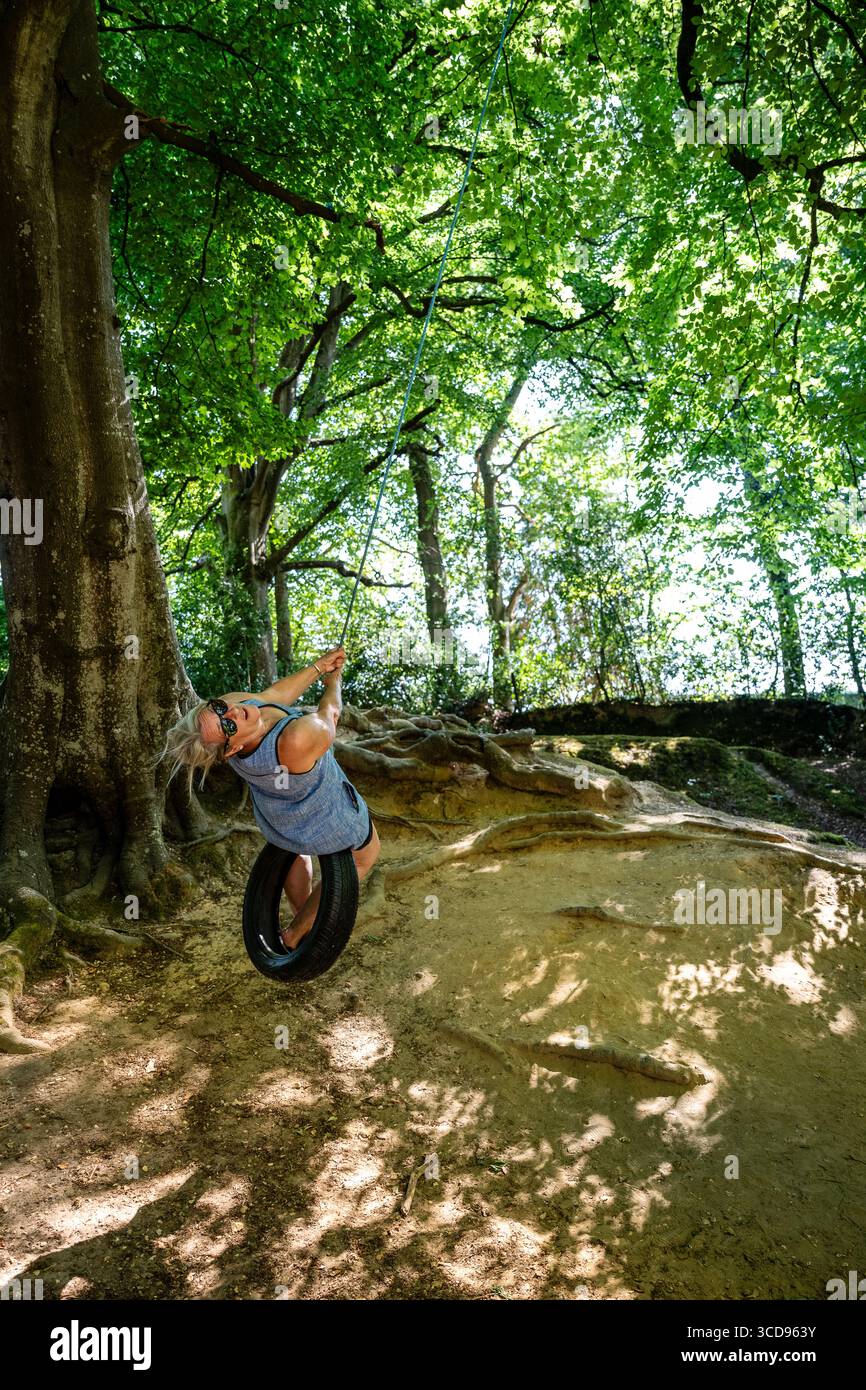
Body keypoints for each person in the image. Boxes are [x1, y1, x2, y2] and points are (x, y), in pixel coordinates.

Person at [163, 646, 380, 949]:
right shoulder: (295, 740)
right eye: (227, 724)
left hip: (277, 815)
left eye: (218, 708)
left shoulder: (232, 710)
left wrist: (319, 666)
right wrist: (334, 681)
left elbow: (272, 696)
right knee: (364, 857)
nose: (231, 711)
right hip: (326, 813)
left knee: (293, 850)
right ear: (232, 750)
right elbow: (330, 713)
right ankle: (296, 933)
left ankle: (305, 916)